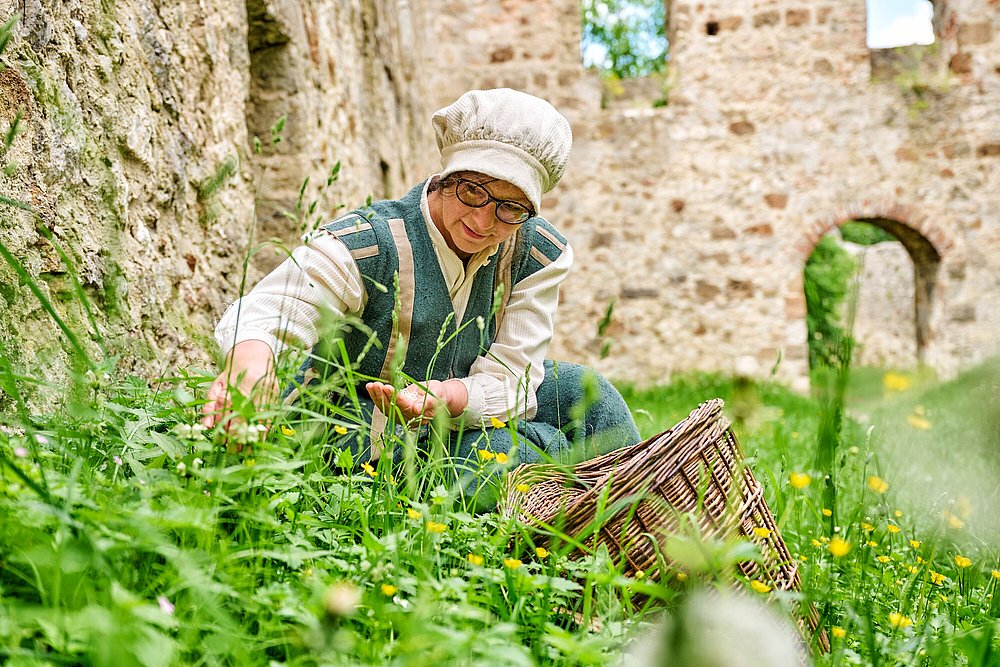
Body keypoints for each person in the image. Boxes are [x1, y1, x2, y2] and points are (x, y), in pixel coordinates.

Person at [202, 88, 640, 495]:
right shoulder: (369, 243)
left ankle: (648, 516)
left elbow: (514, 376)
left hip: (465, 401)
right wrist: (250, 378)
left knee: (588, 392)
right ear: (446, 177)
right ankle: (565, 471)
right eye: (473, 191)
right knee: (506, 459)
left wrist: (449, 398)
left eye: (510, 207)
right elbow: (267, 312)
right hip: (362, 423)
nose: (485, 221)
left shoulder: (539, 253)